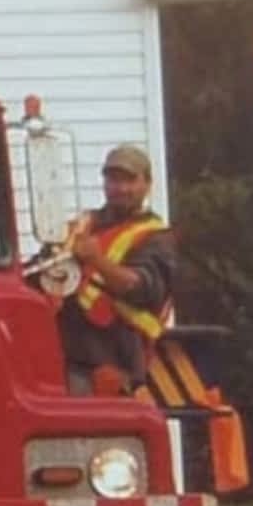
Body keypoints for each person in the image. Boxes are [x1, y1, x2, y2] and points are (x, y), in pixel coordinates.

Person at [56, 144, 176, 394]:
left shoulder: (155, 237)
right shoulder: (82, 225)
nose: (120, 188)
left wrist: (97, 260)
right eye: (113, 180)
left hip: (115, 363)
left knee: (92, 429)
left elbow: (139, 287)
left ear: (147, 184)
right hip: (63, 353)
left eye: (129, 180)